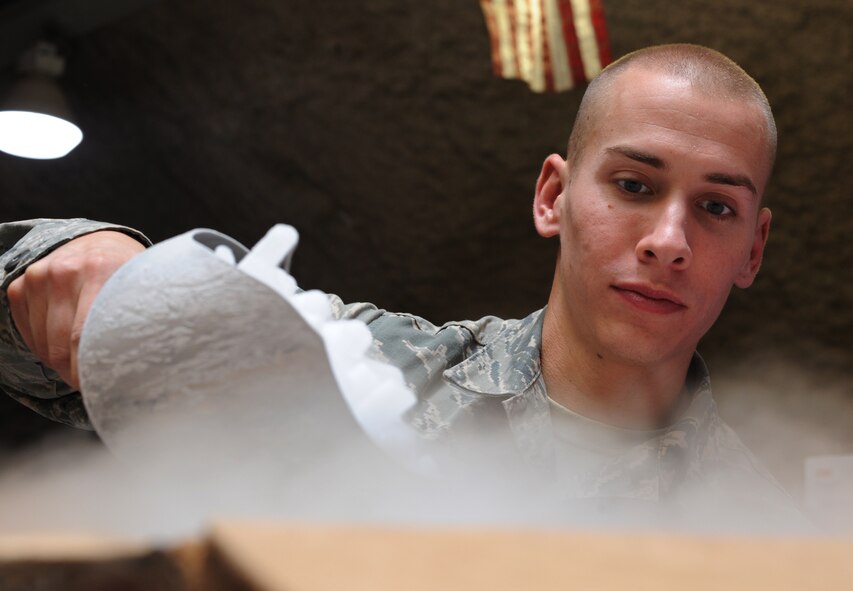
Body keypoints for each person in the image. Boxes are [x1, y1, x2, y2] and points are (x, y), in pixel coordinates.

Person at [0, 44, 802, 525]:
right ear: (552, 196)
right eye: (632, 185)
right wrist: (92, 263)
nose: (668, 242)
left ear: (752, 249)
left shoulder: (763, 529)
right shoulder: (356, 367)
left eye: (715, 207)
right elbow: (75, 341)